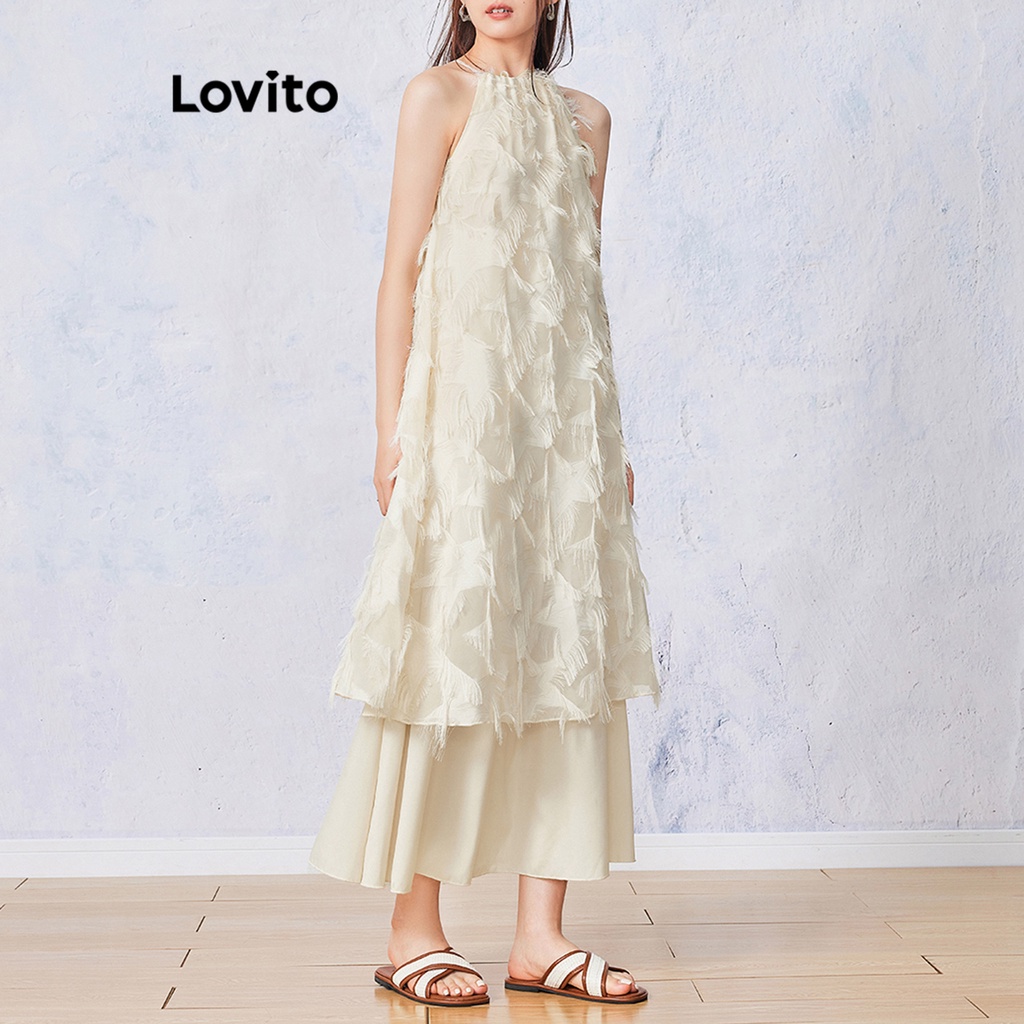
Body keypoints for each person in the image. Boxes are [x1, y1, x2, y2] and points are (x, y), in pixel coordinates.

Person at [309, 0, 661, 1008]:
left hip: (566, 432)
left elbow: (581, 288)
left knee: (564, 645)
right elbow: (399, 272)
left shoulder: (588, 120)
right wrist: (391, 430)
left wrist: (610, 441)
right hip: (460, 422)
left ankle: (540, 937)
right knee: (448, 644)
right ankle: (413, 928)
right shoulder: (438, 98)